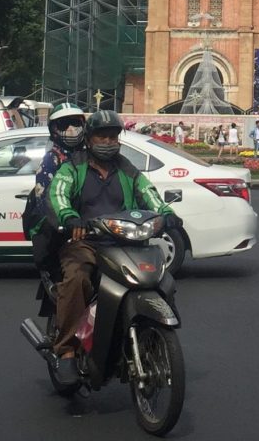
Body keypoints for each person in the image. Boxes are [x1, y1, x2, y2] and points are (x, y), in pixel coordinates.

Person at [47, 109, 179, 386]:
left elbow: (150, 195)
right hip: (86, 243)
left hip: (127, 243)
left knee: (162, 279)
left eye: (113, 136)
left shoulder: (128, 169)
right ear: (90, 138)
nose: (108, 141)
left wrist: (166, 214)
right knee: (77, 278)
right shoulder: (72, 167)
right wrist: (70, 218)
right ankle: (67, 351)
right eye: (101, 136)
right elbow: (58, 194)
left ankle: (151, 338)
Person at [28, 102, 87, 273]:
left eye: (75, 123)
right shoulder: (52, 160)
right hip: (63, 228)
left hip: (88, 224)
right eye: (64, 124)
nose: (71, 129)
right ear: (54, 129)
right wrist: (68, 219)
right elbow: (47, 203)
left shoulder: (88, 155)